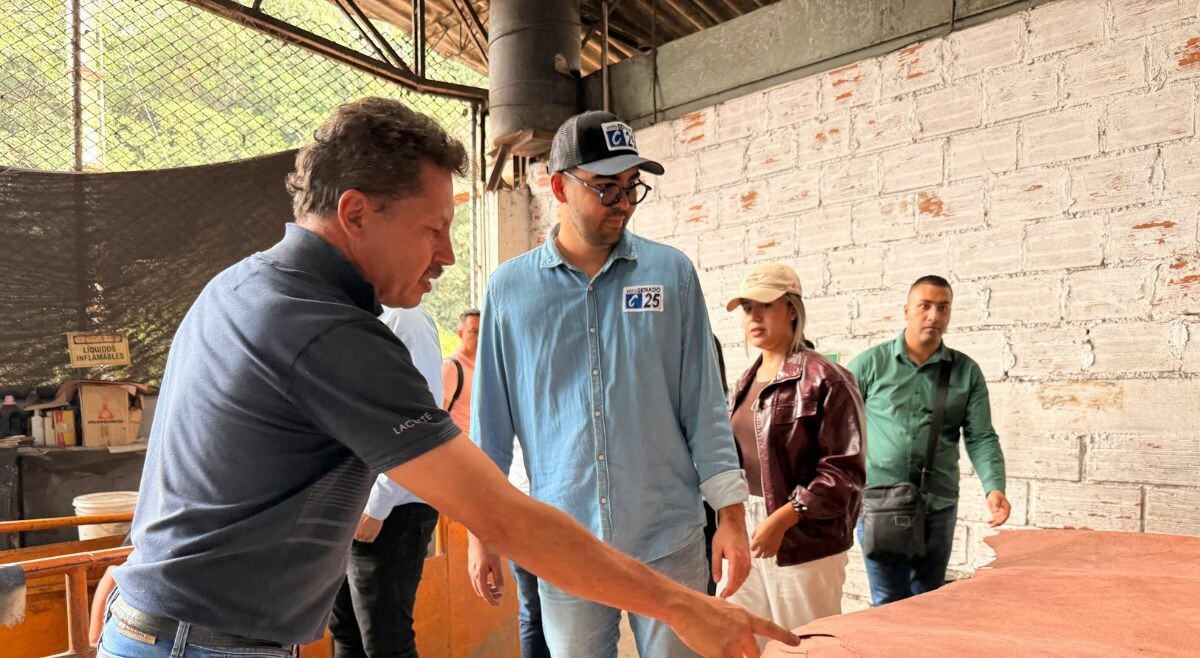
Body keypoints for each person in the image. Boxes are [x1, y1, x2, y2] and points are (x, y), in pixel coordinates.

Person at [97, 97, 792, 658]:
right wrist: (684, 606)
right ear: (357, 213)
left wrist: (137, 565)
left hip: (166, 625)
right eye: (433, 229)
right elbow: (497, 509)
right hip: (207, 643)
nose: (447, 254)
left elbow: (187, 460)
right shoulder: (332, 333)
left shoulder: (238, 285)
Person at [468, 110, 752, 658]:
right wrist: (482, 535)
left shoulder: (671, 275)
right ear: (558, 186)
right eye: (605, 188)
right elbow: (490, 429)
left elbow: (704, 406)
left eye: (631, 187)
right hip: (564, 541)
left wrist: (733, 521)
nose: (622, 202)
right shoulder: (509, 291)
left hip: (669, 534)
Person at [722, 263, 865, 643]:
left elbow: (844, 473)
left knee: (803, 642)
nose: (754, 317)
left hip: (802, 534)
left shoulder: (827, 378)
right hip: (748, 524)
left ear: (791, 309)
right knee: (748, 638)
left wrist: (785, 517)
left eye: (764, 306)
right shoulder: (745, 382)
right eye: (748, 308)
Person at [847, 275, 1011, 606]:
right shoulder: (869, 365)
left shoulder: (966, 371)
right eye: (925, 306)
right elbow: (837, 431)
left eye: (943, 308)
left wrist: (994, 487)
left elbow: (980, 436)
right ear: (906, 310)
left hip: (938, 505)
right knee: (887, 602)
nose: (933, 316)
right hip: (880, 503)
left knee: (929, 601)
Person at [330, 305, 444, 658]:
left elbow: (421, 419)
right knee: (345, 632)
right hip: (350, 508)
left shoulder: (404, 318)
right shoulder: (345, 318)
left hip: (393, 510)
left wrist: (377, 505)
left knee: (385, 640)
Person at [441, 309, 478, 428]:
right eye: (475, 332)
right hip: (457, 444)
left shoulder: (483, 368)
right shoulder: (451, 368)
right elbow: (438, 416)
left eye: (484, 332)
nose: (480, 337)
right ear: (460, 333)